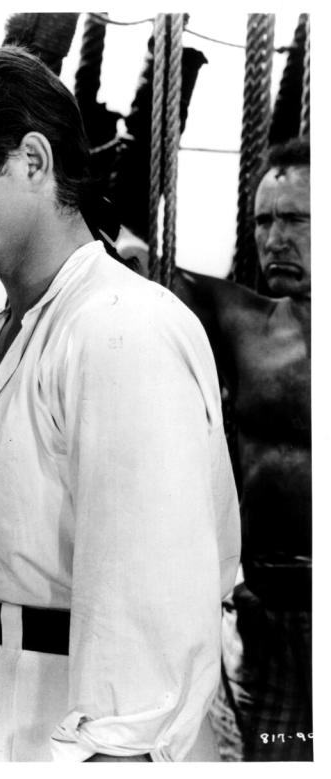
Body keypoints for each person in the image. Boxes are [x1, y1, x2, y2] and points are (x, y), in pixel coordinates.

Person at [0, 47, 241, 762]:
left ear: (31, 161)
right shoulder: (1, 334)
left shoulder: (119, 330)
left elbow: (145, 616)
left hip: (88, 733)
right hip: (4, 702)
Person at [171, 138, 312, 761]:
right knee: (278, 758)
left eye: (296, 219)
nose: (274, 238)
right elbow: (132, 256)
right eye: (264, 220)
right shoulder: (244, 322)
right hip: (266, 617)